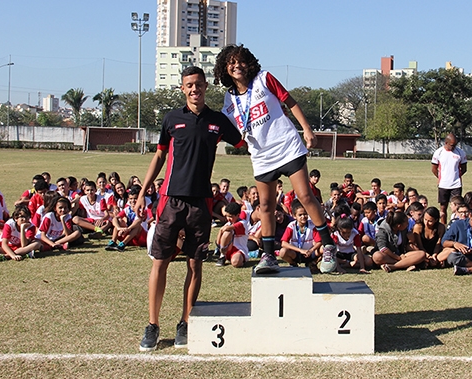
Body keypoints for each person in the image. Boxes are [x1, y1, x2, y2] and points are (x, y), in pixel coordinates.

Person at [135, 66, 243, 352]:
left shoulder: (218, 121)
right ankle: (153, 325)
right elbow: (158, 157)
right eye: (189, 85)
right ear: (183, 89)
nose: (194, 89)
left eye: (198, 84)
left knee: (195, 263)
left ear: (206, 87)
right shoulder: (171, 119)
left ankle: (185, 321)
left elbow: (243, 140)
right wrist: (143, 192)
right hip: (170, 200)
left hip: (201, 202)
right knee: (160, 262)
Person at [214, 44, 338, 274]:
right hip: (261, 156)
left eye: (240, 61)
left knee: (304, 195)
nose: (237, 66)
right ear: (224, 69)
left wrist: (307, 129)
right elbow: (228, 131)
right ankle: (269, 255)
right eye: (231, 63)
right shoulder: (228, 100)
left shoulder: (264, 79)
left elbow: (290, 101)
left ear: (248, 62)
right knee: (266, 206)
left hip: (287, 145)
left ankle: (328, 244)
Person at [438, 205, 472, 270]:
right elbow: (444, 242)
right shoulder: (457, 225)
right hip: (461, 256)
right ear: (470, 215)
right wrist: (455, 244)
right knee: (452, 257)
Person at [431, 133, 467, 225]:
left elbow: (464, 168)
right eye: (452, 145)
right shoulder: (438, 152)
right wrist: (441, 178)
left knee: (457, 207)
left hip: (456, 185)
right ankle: (444, 226)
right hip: (443, 185)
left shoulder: (460, 153)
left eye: (455, 145)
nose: (454, 147)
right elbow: (434, 169)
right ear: (446, 143)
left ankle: (456, 225)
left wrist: (456, 176)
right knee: (443, 207)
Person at [279, 199, 321, 269]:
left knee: (325, 248)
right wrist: (300, 250)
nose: (303, 217)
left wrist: (311, 250)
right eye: (300, 215)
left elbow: (319, 242)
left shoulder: (312, 225)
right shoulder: (291, 226)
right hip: (296, 253)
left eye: (305, 214)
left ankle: (313, 263)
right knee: (282, 252)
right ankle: (293, 263)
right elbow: (283, 243)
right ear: (294, 216)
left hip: (310, 252)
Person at [215, 202, 250, 268]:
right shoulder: (228, 223)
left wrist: (221, 230)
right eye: (227, 216)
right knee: (227, 233)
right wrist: (219, 246)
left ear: (238, 215)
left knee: (235, 263)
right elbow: (221, 233)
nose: (228, 218)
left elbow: (226, 228)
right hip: (227, 249)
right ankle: (222, 256)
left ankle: (239, 259)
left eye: (230, 216)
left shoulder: (243, 223)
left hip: (239, 250)